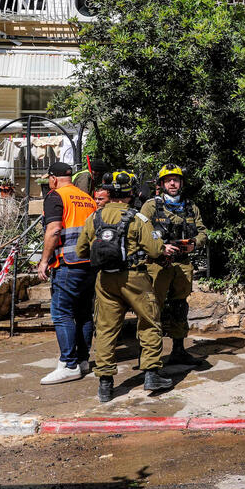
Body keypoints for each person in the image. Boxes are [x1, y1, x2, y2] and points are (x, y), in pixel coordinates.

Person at [76, 171, 180, 402]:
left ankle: (105, 383)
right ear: (130, 193)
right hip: (135, 278)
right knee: (150, 322)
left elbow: (81, 251)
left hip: (105, 280)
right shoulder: (137, 218)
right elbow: (154, 250)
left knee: (106, 329)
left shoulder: (94, 218)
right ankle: (151, 374)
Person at [139, 163, 208, 365]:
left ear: (181, 183)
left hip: (182, 263)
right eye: (168, 180)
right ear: (161, 184)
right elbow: (141, 234)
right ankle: (149, 356)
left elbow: (202, 231)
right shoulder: (151, 206)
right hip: (157, 265)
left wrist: (194, 243)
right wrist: (161, 247)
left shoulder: (190, 206)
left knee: (180, 306)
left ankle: (179, 350)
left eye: (176, 180)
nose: (172, 183)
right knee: (153, 308)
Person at [36, 161, 98, 385]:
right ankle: (82, 361)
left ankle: (69, 364)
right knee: (83, 314)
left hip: (67, 264)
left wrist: (44, 261)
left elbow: (54, 229)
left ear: (53, 178)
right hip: (89, 264)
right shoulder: (88, 199)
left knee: (62, 313)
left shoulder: (56, 196)